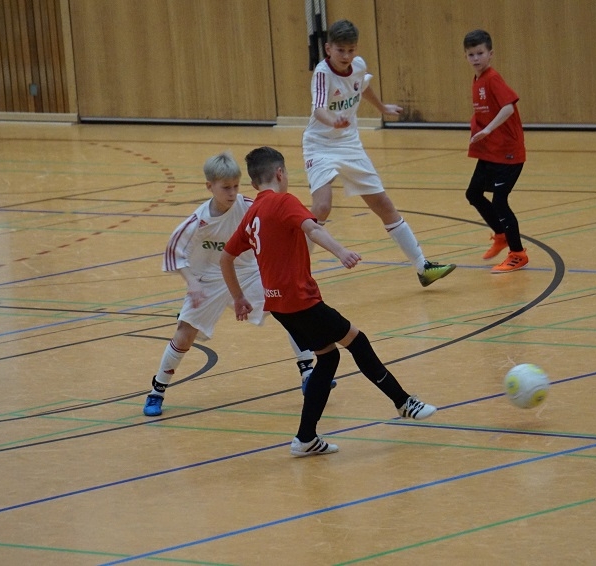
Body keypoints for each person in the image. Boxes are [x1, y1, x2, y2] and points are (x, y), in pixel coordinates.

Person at [221, 147, 437, 457]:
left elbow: (226, 258)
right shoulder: (284, 201)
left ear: (254, 183)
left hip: (278, 306)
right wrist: (341, 252)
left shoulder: (252, 213)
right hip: (301, 300)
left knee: (328, 358)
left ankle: (306, 438)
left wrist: (239, 297)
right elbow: (312, 228)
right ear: (280, 173)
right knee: (358, 342)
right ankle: (403, 402)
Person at [142, 151, 324, 417]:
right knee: (185, 333)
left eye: (236, 186)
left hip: (248, 272)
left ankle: (307, 372)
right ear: (210, 186)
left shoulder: (249, 206)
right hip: (209, 280)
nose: (232, 192)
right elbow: (174, 254)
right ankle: (157, 390)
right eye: (225, 187)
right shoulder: (197, 221)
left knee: (288, 309)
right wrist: (192, 283)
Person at [302, 19, 456, 288]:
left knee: (383, 204)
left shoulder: (358, 65)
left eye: (351, 50)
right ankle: (296, 271)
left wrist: (382, 107)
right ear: (328, 49)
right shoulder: (323, 73)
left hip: (349, 145)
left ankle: (423, 267)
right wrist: (333, 121)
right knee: (322, 206)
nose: (346, 56)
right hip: (320, 144)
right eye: (340, 50)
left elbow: (362, 86)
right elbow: (319, 109)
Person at [463, 29, 529, 273]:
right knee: (473, 193)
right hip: (491, 151)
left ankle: (518, 253)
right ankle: (501, 235)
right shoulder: (477, 79)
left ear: (490, 54)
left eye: (480, 53)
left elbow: (508, 107)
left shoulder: (492, 78)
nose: (475, 58)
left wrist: (489, 129)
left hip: (508, 152)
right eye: (471, 54)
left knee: (500, 201)